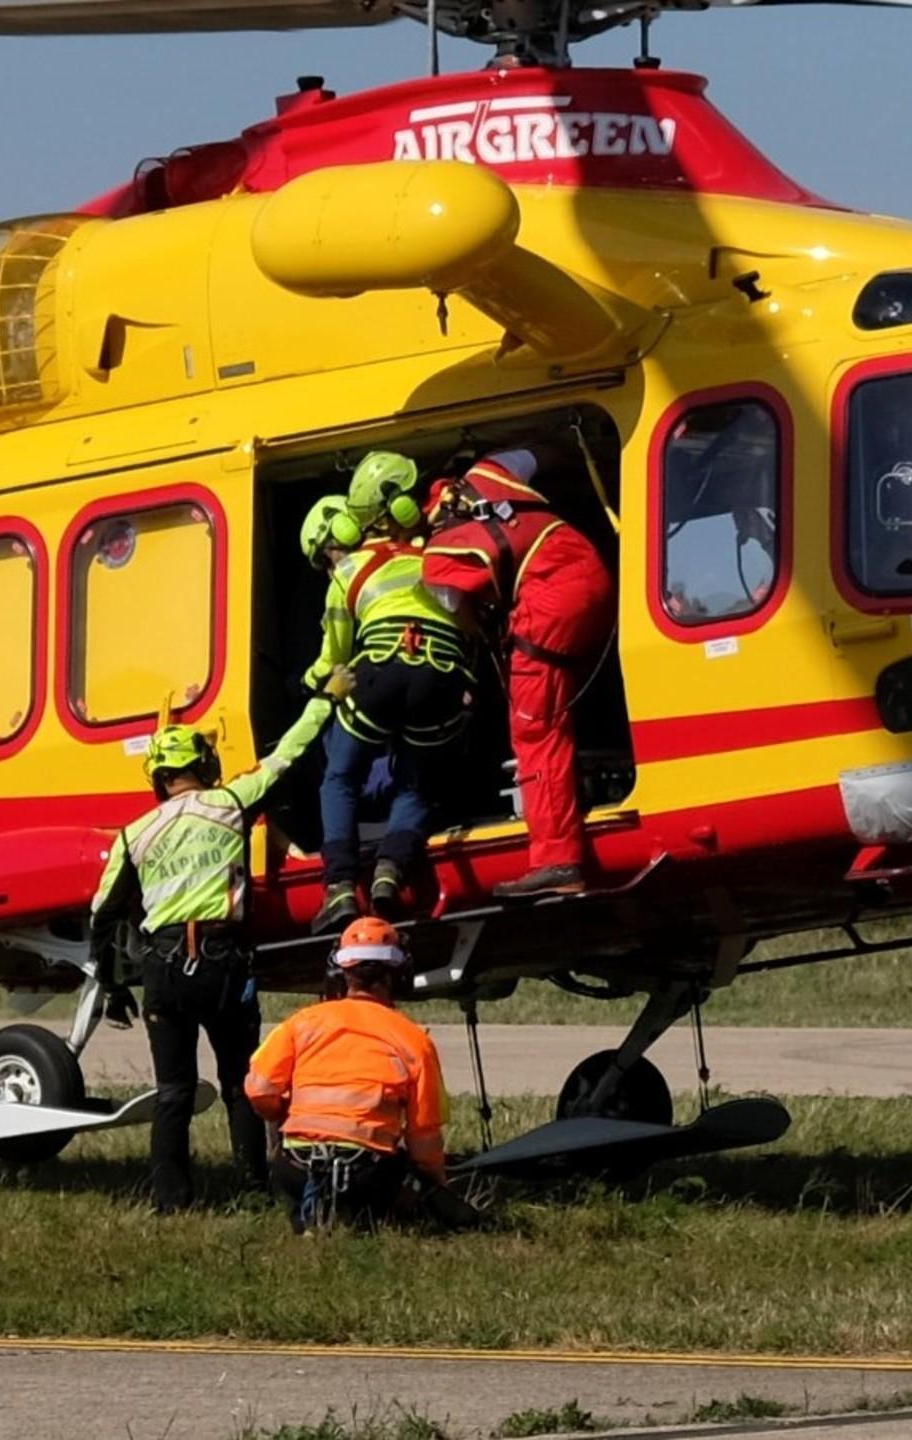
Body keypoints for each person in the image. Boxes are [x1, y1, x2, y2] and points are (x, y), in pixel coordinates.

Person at [89, 686, 344, 1214]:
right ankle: (253, 1188)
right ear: (203, 766)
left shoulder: (133, 834)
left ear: (157, 777)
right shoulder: (229, 803)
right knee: (239, 1083)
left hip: (162, 969)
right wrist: (326, 700)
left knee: (173, 1093)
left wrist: (112, 984)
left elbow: (102, 914)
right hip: (223, 962)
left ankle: (170, 1201)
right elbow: (287, 756)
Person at [409, 447, 614, 898]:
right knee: (570, 700)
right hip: (593, 573)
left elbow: (463, 617)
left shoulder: (440, 553)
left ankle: (558, 862)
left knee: (534, 732)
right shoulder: (492, 471)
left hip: (548, 606)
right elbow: (537, 452)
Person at [299, 493, 474, 933]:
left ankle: (339, 886)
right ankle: (390, 872)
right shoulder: (433, 555)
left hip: (379, 674)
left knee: (340, 778)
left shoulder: (347, 573)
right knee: (417, 785)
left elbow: (335, 657)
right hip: (440, 676)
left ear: (330, 544)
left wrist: (306, 684)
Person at [244, 916, 447, 1233]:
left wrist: (283, 1114)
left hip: (295, 1169)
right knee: (401, 1172)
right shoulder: (414, 1041)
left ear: (340, 972)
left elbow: (258, 1089)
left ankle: (314, 1215)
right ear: (398, 974)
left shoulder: (302, 1023)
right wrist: (436, 1188)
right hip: (368, 1176)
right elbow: (424, 1136)